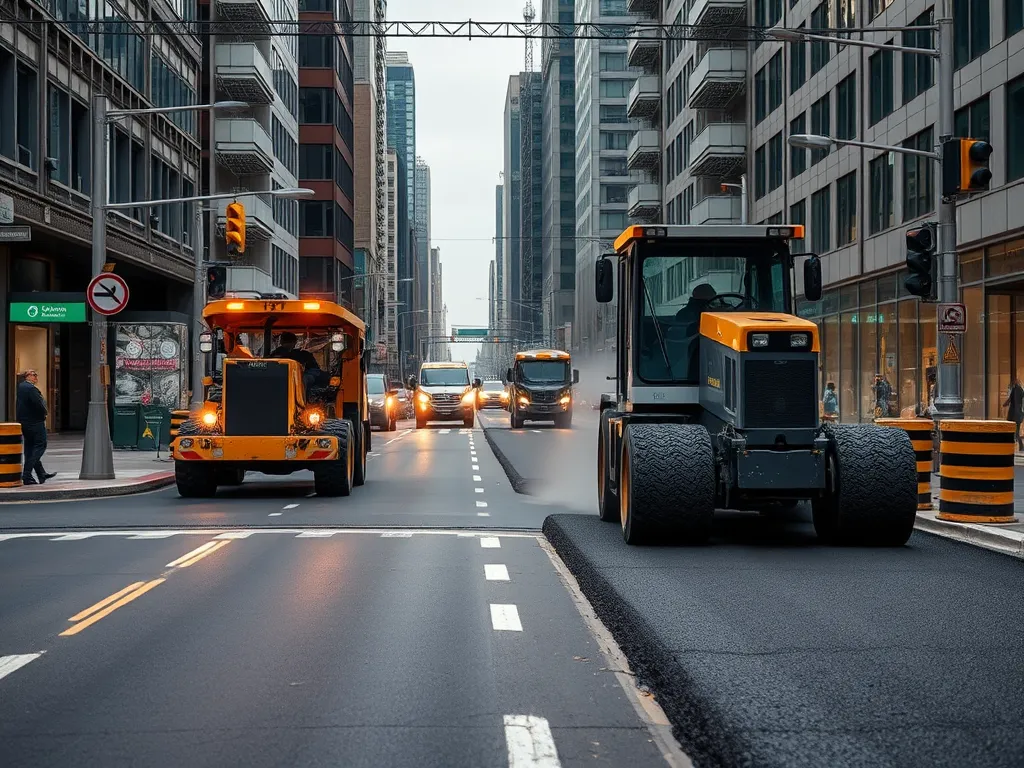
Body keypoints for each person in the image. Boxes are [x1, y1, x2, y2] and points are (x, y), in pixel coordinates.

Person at [16, 370, 55, 485]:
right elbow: (39, 405)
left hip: (25, 422)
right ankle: (27, 474)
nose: (36, 377)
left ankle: (41, 474)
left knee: (30, 448)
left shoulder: (21, 387)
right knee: (40, 445)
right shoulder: (31, 389)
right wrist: (44, 413)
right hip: (35, 422)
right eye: (33, 374)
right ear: (27, 376)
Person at [1004, 378, 1024, 451]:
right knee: (1016, 431)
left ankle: (1018, 445)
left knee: (1014, 431)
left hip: (1014, 415)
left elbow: (1010, 400)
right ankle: (1020, 446)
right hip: (1019, 415)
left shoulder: (1015, 390)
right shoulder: (1021, 390)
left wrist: (1005, 404)